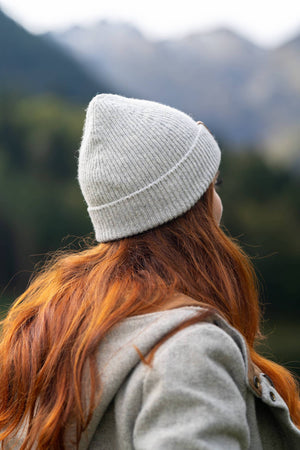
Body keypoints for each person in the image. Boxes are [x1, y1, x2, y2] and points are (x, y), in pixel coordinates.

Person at [0, 94, 299, 450]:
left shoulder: (50, 333)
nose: (219, 203)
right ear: (188, 207)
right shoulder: (191, 350)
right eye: (212, 186)